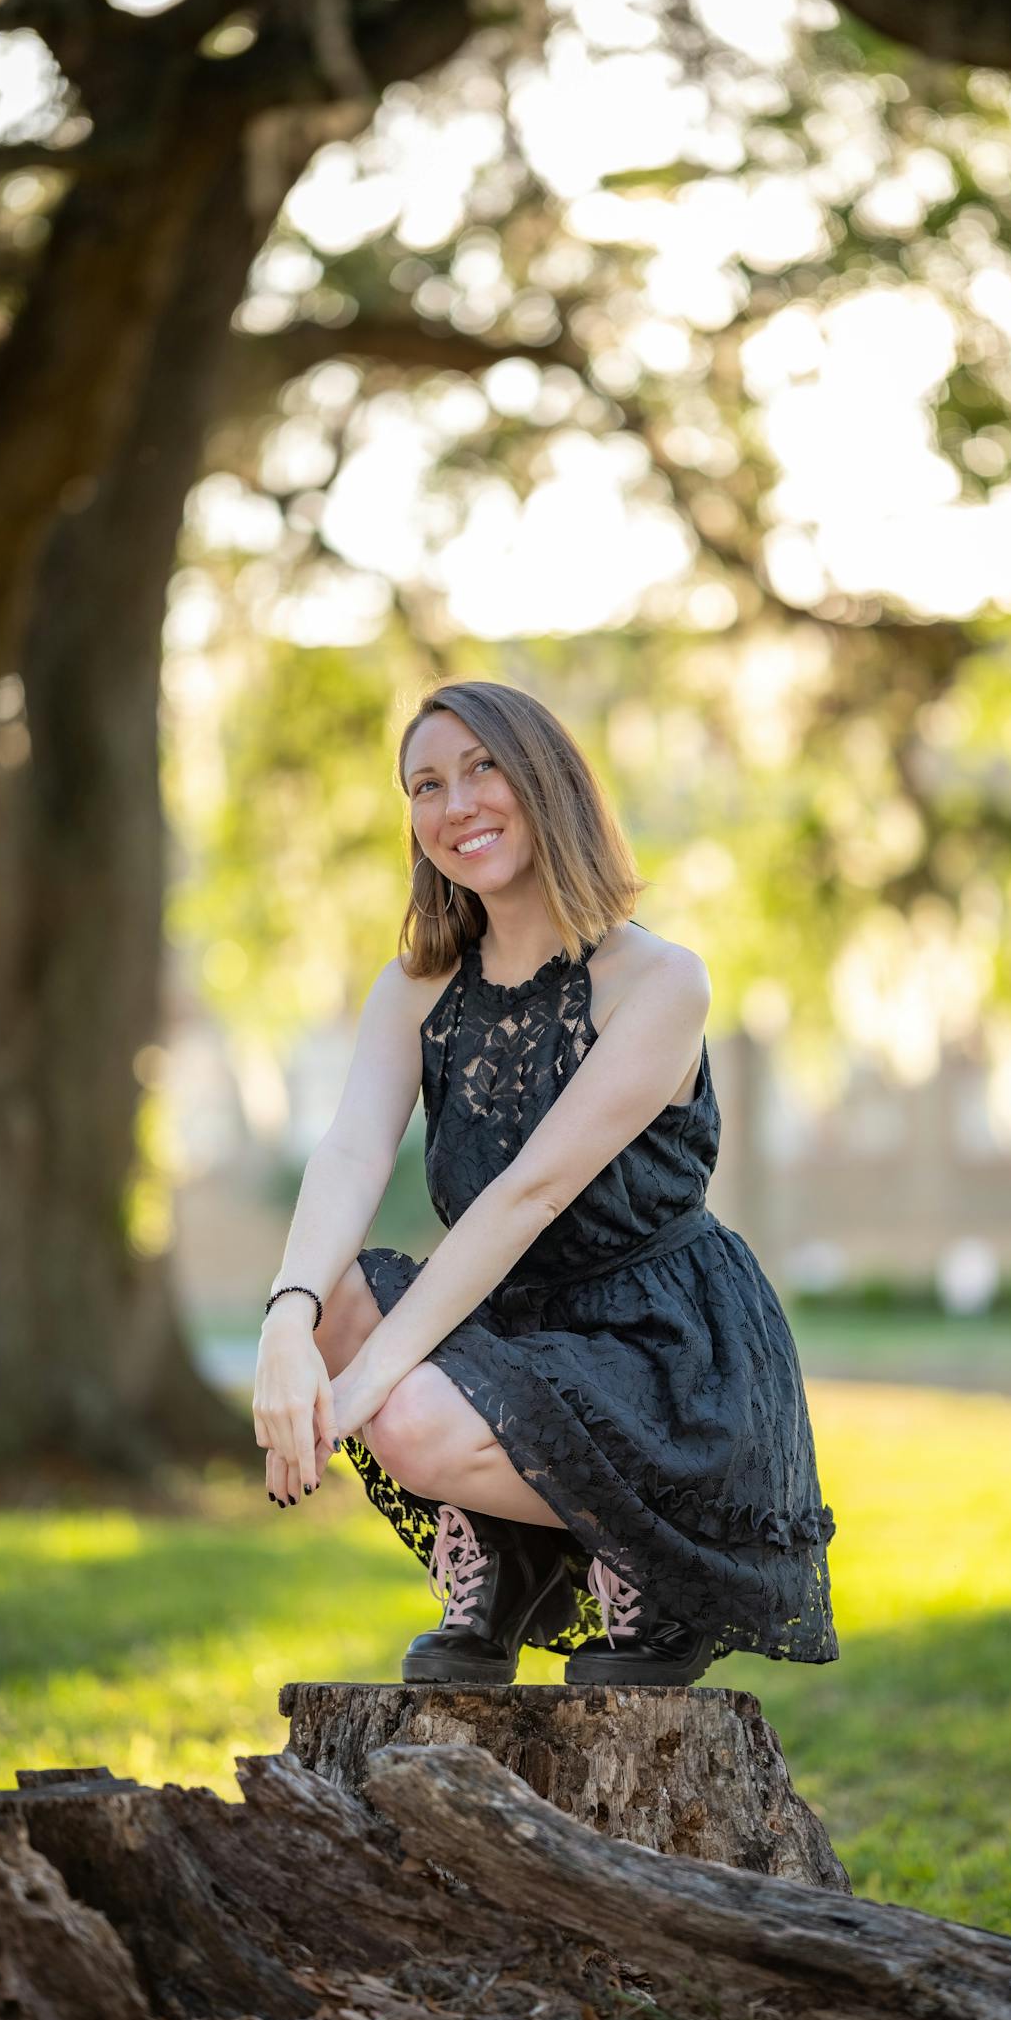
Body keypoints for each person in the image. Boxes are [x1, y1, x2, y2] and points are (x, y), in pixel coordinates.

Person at [253, 679, 838, 1687]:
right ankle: (507, 1551)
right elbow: (350, 1151)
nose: (458, 803)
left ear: (548, 783)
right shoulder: (415, 986)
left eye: (485, 767)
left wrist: (357, 1393)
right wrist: (283, 1326)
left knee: (406, 1417)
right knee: (326, 1300)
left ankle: (647, 1565)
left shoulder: (659, 981)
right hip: (517, 1321)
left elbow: (529, 1194)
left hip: (661, 1351)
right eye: (427, 783)